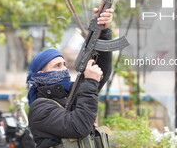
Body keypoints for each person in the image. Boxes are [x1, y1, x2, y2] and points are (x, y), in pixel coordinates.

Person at [27, 8, 114, 148]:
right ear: (41, 74)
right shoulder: (40, 109)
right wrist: (90, 82)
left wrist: (102, 30)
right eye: (57, 66)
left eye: (64, 64)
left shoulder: (71, 92)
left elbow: (102, 70)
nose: (64, 69)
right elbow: (79, 127)